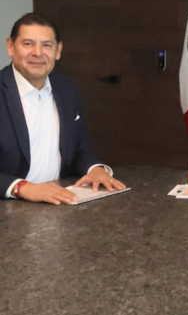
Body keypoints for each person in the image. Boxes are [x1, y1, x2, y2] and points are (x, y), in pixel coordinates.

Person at [0, 13, 126, 205]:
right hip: (8, 208)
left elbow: (80, 147)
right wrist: (22, 187)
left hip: (59, 203)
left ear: (58, 50)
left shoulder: (66, 88)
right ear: (11, 46)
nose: (37, 53)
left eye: (47, 45)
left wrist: (95, 169)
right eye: (28, 44)